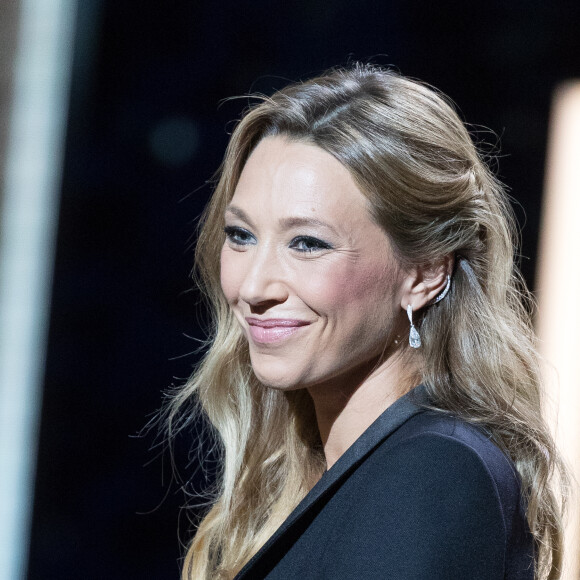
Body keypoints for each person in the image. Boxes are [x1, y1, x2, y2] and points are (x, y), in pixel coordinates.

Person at [166, 64, 567, 579]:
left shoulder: (431, 474)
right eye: (241, 235)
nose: (251, 287)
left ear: (424, 273)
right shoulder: (344, 470)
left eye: (307, 243)